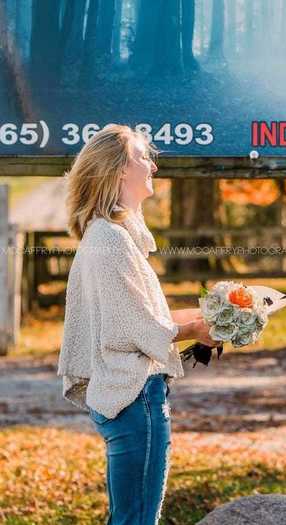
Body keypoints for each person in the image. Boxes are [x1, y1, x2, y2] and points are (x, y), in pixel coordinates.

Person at [57, 124, 216, 525]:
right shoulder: (109, 240)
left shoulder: (108, 235)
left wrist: (214, 317)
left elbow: (145, 317)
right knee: (137, 520)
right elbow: (134, 331)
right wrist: (197, 331)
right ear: (118, 169)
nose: (153, 167)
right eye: (143, 156)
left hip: (130, 398)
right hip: (136, 398)